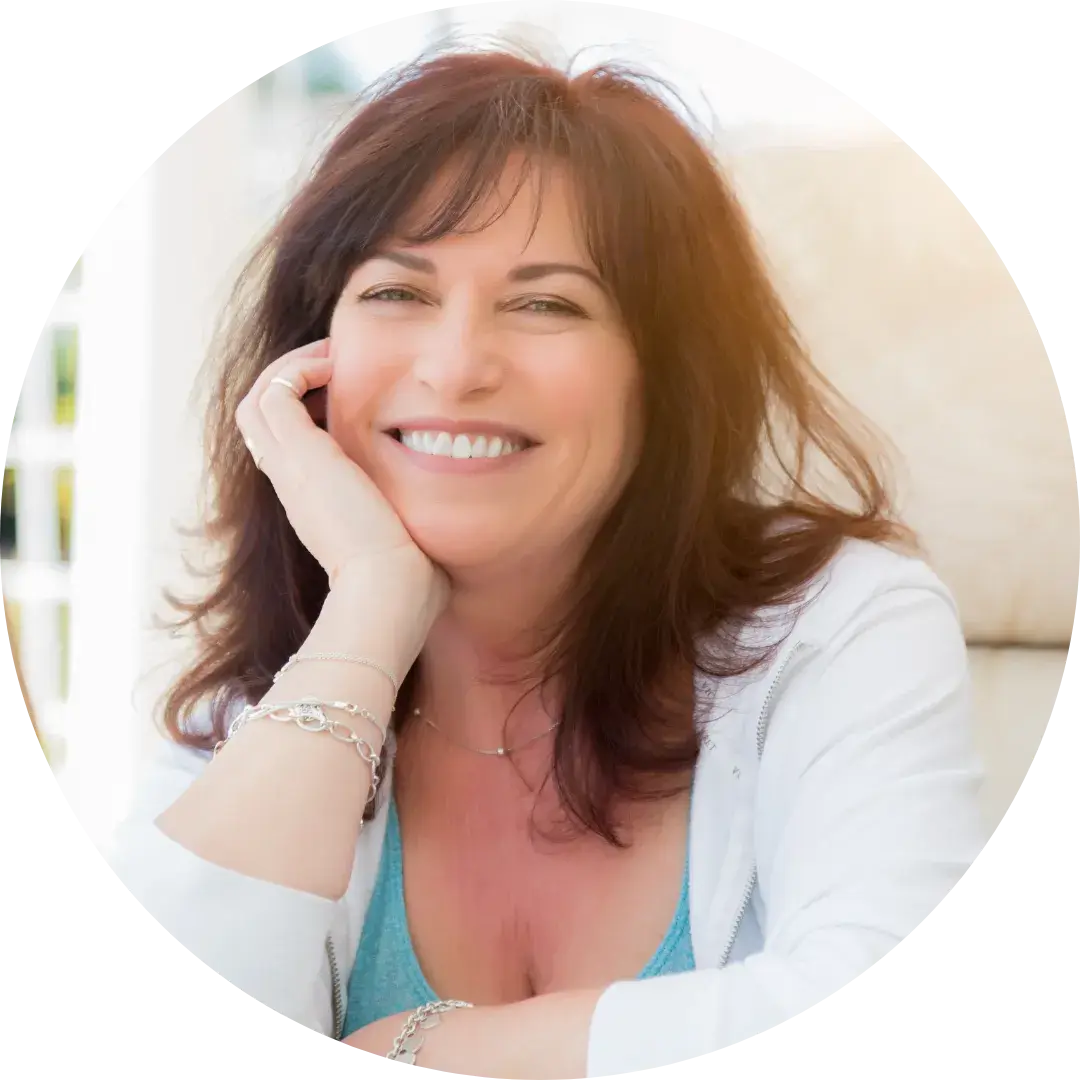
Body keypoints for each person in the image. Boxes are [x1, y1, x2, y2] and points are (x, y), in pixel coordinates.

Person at [109, 45, 988, 1076]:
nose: (455, 368)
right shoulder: (279, 692)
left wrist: (441, 1047)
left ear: (669, 374)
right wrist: (372, 606)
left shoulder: (838, 626)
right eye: (397, 291)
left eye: (546, 304)